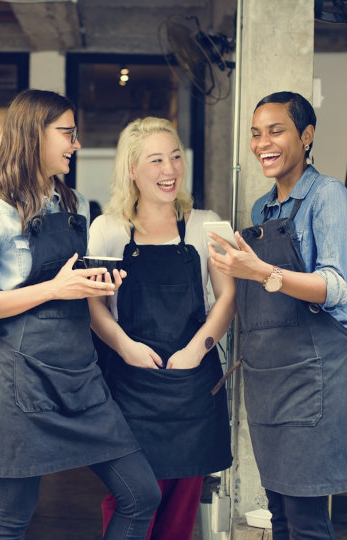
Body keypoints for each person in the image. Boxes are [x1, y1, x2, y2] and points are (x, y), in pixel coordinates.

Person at [0, 89, 161, 540]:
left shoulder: (74, 204)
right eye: (67, 133)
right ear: (34, 136)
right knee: (14, 515)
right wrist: (55, 288)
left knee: (142, 495)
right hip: (20, 378)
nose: (75, 144)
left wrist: (96, 283)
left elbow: (74, 283)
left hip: (79, 374)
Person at [208, 91, 347, 540]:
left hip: (313, 375)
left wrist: (262, 270)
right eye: (256, 134)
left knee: (307, 519)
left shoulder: (328, 197)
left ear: (306, 136)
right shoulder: (262, 209)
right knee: (277, 513)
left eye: (276, 131)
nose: (263, 143)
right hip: (268, 375)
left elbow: (334, 287)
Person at [88, 117, 236, 540]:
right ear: (132, 169)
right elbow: (95, 307)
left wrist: (198, 349)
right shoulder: (108, 229)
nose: (169, 170)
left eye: (175, 157)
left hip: (192, 387)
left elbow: (226, 299)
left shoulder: (207, 225)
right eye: (156, 160)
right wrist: (125, 346)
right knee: (131, 499)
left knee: (180, 509)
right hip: (129, 387)